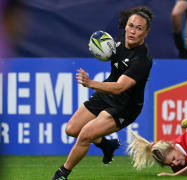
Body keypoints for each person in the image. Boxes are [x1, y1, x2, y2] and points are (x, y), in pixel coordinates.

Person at [51, 6, 154, 180]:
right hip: (107, 93)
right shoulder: (121, 39)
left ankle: (61, 174)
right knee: (71, 129)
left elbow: (120, 87)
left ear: (146, 32)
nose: (133, 31)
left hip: (125, 106)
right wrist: (96, 47)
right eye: (131, 25)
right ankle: (106, 145)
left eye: (139, 28)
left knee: (85, 135)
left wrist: (90, 83)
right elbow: (108, 52)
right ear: (126, 26)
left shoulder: (142, 59)